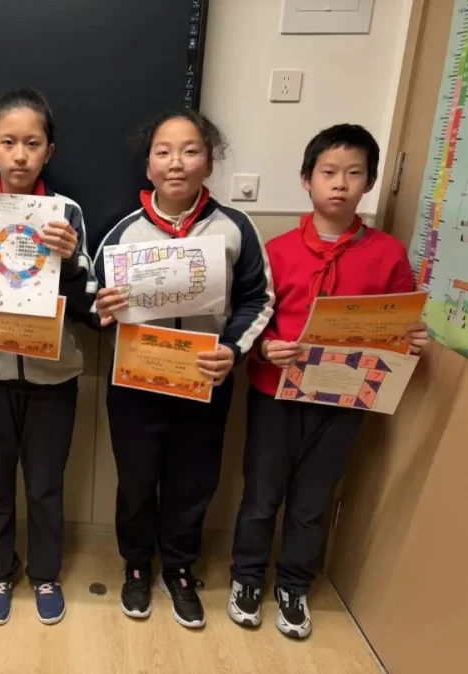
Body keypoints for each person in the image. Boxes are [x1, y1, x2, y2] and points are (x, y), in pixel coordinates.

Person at [228, 124, 428, 639]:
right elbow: (253, 315)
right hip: (275, 392)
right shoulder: (277, 250)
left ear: (370, 183)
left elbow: (398, 324)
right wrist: (266, 346)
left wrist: (410, 339)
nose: (340, 183)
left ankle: (294, 584)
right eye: (329, 172)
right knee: (261, 496)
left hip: (345, 398)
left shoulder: (388, 254)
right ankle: (247, 577)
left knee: (313, 502)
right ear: (306, 179)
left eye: (354, 173)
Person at [93, 110, 274, 627]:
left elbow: (258, 299)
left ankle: (178, 568)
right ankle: (135, 566)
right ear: (148, 165)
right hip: (135, 384)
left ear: (209, 163)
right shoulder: (122, 232)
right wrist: (101, 308)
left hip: (204, 380)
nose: (177, 163)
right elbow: (93, 302)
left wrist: (232, 350)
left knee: (193, 483)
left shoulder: (235, 227)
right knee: (135, 482)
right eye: (164, 152)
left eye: (191, 151)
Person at [0, 87, 94, 626]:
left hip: (53, 375)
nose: (21, 155)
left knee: (47, 483)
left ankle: (46, 572)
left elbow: (88, 303)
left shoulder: (67, 213)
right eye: (9, 142)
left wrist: (70, 261)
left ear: (49, 150)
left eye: (33, 143)